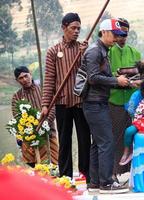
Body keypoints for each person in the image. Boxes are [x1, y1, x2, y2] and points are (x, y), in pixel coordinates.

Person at [81, 18, 129, 193]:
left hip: (98, 102)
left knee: (98, 144)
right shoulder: (94, 51)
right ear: (104, 32)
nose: (117, 38)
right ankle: (107, 183)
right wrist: (116, 80)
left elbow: (101, 78)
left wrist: (121, 81)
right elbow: (93, 78)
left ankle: (95, 182)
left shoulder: (103, 50)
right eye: (115, 34)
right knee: (107, 142)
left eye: (119, 35)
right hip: (94, 103)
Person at [41, 13, 91, 182]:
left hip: (81, 101)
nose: (77, 31)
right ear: (64, 28)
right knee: (64, 139)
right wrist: (45, 105)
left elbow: (89, 73)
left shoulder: (83, 48)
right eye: (73, 28)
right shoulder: (53, 51)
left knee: (85, 138)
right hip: (62, 102)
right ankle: (65, 176)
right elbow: (49, 80)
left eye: (79, 28)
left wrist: (85, 55)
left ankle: (87, 173)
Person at [108, 18, 141, 176]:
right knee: (117, 137)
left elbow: (140, 74)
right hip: (114, 101)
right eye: (118, 34)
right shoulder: (108, 52)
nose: (121, 37)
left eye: (124, 34)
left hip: (133, 101)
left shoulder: (135, 53)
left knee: (135, 135)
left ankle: (136, 171)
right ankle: (115, 172)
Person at [12, 66, 59, 167]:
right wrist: (31, 129)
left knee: (54, 161)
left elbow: (53, 106)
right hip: (30, 135)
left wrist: (45, 124)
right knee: (31, 160)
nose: (24, 79)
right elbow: (17, 116)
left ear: (30, 74)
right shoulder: (17, 96)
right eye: (21, 78)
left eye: (26, 76)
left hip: (48, 131)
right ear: (17, 80)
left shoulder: (44, 89)